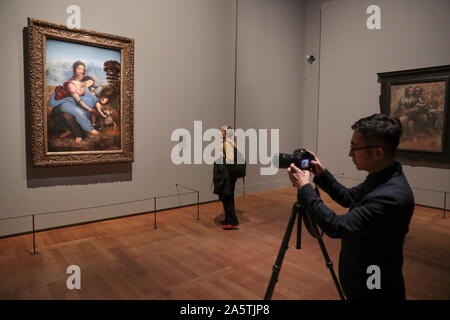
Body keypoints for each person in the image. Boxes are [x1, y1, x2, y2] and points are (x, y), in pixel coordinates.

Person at [287, 114, 415, 300]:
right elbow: (348, 198)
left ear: (378, 152)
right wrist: (321, 174)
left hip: (374, 285)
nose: (350, 153)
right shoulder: (382, 176)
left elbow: (336, 226)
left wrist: (306, 188)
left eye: (355, 147)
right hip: (363, 276)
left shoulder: (391, 197)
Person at [48, 76, 100, 143]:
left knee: (84, 111)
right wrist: (90, 109)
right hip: (63, 104)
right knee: (78, 113)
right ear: (85, 79)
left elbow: (93, 98)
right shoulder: (71, 84)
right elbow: (79, 101)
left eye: (91, 83)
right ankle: (88, 129)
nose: (90, 84)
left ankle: (71, 130)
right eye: (89, 81)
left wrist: (98, 103)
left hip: (71, 104)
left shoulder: (85, 88)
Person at [213, 125, 240, 230]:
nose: (219, 133)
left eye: (221, 131)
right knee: (228, 197)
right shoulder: (228, 143)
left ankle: (233, 222)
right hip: (227, 176)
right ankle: (228, 219)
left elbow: (229, 161)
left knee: (227, 198)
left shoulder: (227, 144)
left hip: (226, 176)